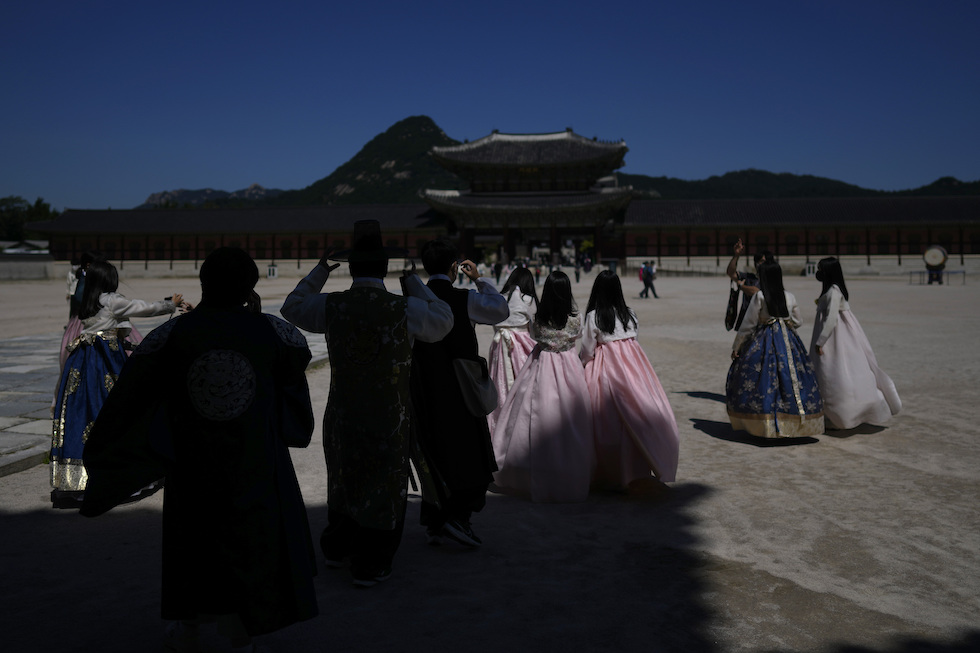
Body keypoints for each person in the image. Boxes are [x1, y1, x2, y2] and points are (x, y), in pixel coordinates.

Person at [80, 247, 318, 652]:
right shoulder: (277, 333)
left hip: (191, 464)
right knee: (250, 541)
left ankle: (188, 624)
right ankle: (242, 630)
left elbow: (131, 399)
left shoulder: (170, 335)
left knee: (192, 543)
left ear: (204, 283)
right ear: (250, 286)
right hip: (255, 461)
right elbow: (294, 381)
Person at [280, 221, 455, 586]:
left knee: (344, 478)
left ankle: (337, 546)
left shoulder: (332, 305)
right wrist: (413, 282)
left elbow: (291, 306)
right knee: (384, 484)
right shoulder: (404, 308)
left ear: (351, 268)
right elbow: (444, 320)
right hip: (389, 415)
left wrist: (320, 271)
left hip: (343, 412)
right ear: (385, 267)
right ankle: (371, 561)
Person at [50, 259, 181, 508]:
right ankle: (121, 475)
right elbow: (143, 308)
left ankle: (79, 479)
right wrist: (170, 304)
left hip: (82, 362)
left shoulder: (88, 302)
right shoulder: (111, 300)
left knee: (84, 413)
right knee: (121, 409)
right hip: (106, 361)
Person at [411, 239, 508, 547]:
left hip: (423, 388)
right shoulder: (464, 298)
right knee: (467, 453)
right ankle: (457, 518)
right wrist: (480, 280)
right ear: (455, 267)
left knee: (432, 449)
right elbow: (500, 310)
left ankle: (436, 519)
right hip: (460, 388)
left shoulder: (413, 299)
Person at [492, 271, 596, 502]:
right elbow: (577, 336)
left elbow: (535, 336)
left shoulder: (539, 319)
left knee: (533, 413)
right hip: (569, 366)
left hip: (542, 363)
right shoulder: (575, 319)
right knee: (571, 416)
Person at [581, 271, 679, 488]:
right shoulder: (630, 314)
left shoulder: (594, 316)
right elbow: (633, 340)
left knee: (606, 418)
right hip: (634, 369)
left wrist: (583, 364)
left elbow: (587, 349)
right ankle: (635, 468)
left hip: (605, 368)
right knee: (635, 414)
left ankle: (607, 470)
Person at [726, 260, 824, 438]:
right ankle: (794, 422)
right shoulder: (789, 296)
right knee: (793, 377)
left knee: (763, 379)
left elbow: (748, 325)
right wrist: (784, 324)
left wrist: (737, 346)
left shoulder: (760, 296)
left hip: (764, 339)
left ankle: (766, 425)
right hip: (788, 339)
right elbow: (798, 321)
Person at [810, 257, 902, 429]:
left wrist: (821, 341)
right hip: (834, 336)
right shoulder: (831, 290)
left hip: (836, 338)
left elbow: (831, 319)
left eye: (821, 269)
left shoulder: (834, 291)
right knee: (831, 372)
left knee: (837, 371)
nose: (819, 272)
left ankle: (846, 414)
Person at [487, 266, 538, 433]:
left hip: (499, 346)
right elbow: (534, 327)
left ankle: (500, 424)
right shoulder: (528, 300)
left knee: (500, 383)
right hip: (522, 346)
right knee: (525, 385)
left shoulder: (499, 298)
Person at [726, 239, 770, 330]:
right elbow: (731, 273)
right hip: (746, 319)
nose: (760, 264)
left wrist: (741, 286)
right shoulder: (749, 277)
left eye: (763, 261)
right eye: (759, 261)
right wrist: (736, 255)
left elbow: (756, 292)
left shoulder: (772, 280)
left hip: (763, 322)